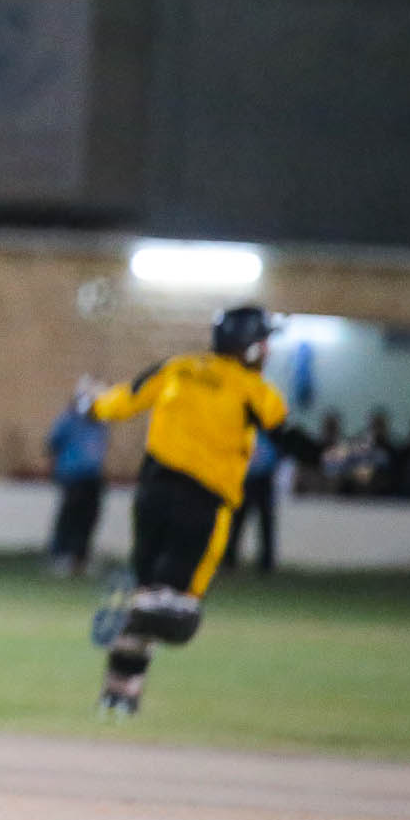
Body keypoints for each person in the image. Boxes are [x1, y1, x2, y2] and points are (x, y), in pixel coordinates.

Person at [79, 304, 324, 717]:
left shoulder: (177, 368)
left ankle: (119, 693)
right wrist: (336, 455)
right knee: (180, 615)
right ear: (250, 348)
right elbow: (290, 438)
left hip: (152, 497)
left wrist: (90, 404)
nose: (267, 350)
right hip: (203, 505)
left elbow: (120, 401)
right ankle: (134, 642)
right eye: (264, 342)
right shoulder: (253, 389)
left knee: (148, 597)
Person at [44, 381, 108, 577]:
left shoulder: (101, 422)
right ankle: (61, 555)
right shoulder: (69, 420)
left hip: (93, 476)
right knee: (69, 516)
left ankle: (80, 557)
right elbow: (52, 443)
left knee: (88, 518)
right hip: (72, 475)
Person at [222, 429, 278, 573]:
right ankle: (230, 558)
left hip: (264, 480)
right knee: (238, 521)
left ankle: (266, 562)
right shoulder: (245, 429)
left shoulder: (272, 432)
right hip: (245, 480)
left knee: (265, 522)